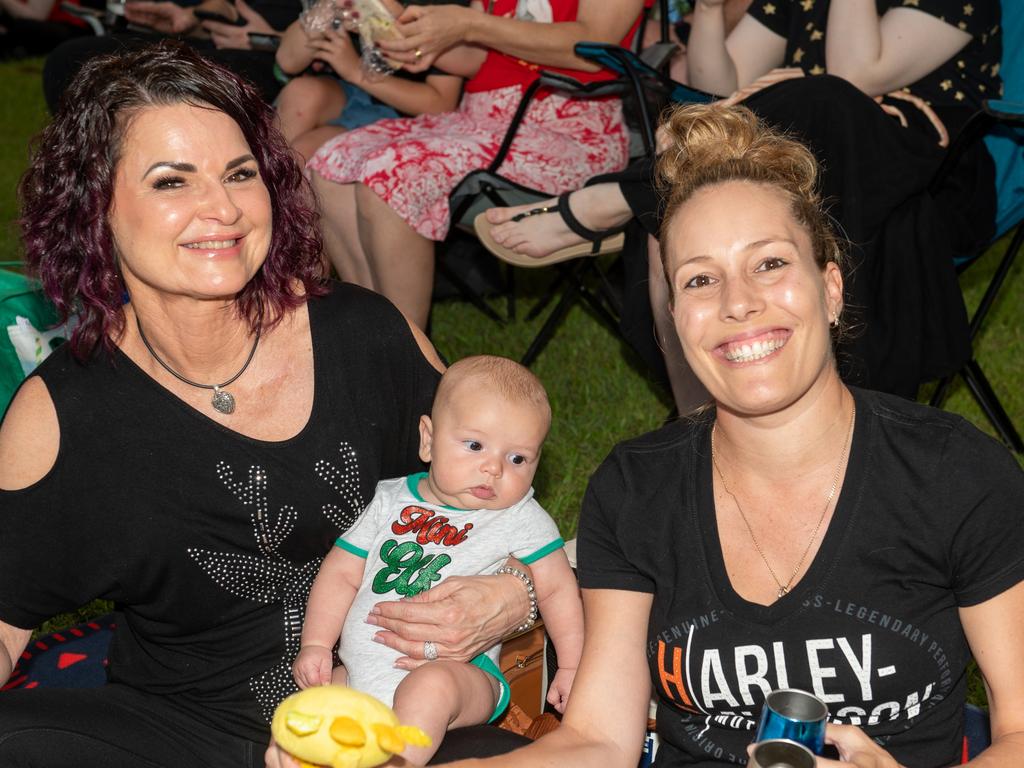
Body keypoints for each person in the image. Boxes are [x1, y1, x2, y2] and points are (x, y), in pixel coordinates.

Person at [0, 41, 541, 767]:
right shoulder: (63, 413)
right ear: (94, 206)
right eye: (171, 182)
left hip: (383, 716)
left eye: (239, 173)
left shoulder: (365, 335)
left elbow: (505, 500)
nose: (221, 208)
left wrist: (514, 594)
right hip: (183, 731)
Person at [440, 103, 1024, 768]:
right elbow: (600, 738)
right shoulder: (637, 489)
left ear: (831, 290)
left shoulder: (953, 475)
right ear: (674, 319)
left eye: (770, 264)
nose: (736, 301)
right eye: (699, 278)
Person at [479, 0, 1003, 409]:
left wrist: (792, 90)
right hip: (803, 169)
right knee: (681, 212)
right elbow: (710, 90)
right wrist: (708, 12)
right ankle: (698, 432)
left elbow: (855, 74)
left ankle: (618, 196)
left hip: (924, 175)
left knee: (823, 99)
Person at [293, 355, 583, 765]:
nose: (493, 468)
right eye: (475, 445)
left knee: (429, 687)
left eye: (517, 458)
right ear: (427, 439)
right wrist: (317, 644)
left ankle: (399, 761)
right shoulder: (389, 500)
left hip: (463, 675)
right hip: (361, 672)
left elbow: (556, 587)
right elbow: (340, 573)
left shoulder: (520, 516)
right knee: (317, 703)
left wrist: (571, 667)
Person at [306, 0, 649, 331]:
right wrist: (405, 34)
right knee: (330, 166)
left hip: (567, 131)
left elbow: (592, 46)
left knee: (392, 177)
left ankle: (410, 364)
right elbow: (477, 58)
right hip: (481, 121)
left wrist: (470, 23)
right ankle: (378, 334)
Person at [273, 0, 465, 162]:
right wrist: (327, 7)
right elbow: (288, 61)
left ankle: (277, 196)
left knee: (305, 152)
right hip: (350, 91)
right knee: (301, 93)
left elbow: (441, 104)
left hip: (407, 111)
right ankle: (263, 185)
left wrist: (355, 71)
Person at [42, 0, 299, 111]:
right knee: (72, 58)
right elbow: (230, 8)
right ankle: (94, 171)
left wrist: (273, 40)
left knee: (179, 75)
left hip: (287, 60)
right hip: (222, 42)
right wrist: (191, 18)